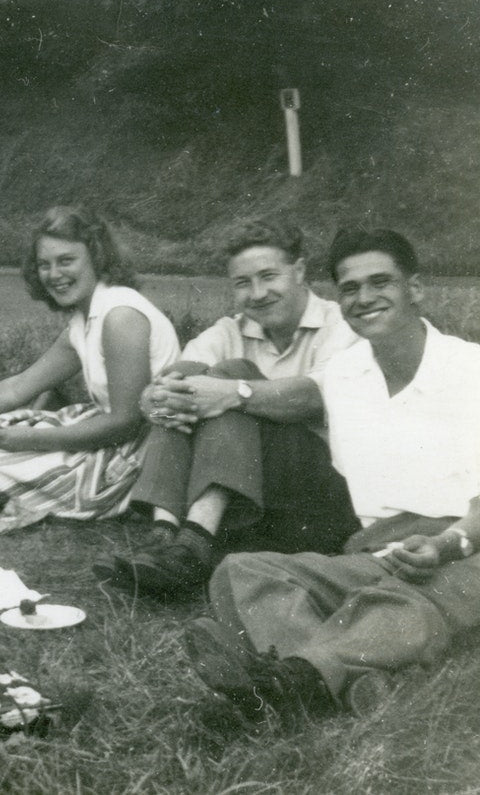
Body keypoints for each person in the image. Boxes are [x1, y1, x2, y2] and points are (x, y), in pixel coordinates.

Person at [183, 229, 480, 723]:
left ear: (416, 289)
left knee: (402, 599)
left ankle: (299, 677)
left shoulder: (472, 370)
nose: (365, 298)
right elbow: (286, 401)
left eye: (380, 282)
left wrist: (446, 545)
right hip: (378, 551)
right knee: (242, 571)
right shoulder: (343, 377)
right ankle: (339, 679)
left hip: (466, 548)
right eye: (349, 288)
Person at [95, 219, 361, 598]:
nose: (257, 293)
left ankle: (195, 540)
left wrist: (236, 391)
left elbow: (318, 395)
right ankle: (164, 536)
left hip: (325, 497)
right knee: (187, 385)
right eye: (242, 283)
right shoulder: (231, 329)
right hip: (256, 497)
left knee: (232, 376)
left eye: (269, 276)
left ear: (299, 271)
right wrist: (156, 397)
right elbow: (173, 379)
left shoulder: (338, 325)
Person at [0, 205, 181, 532]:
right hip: (106, 431)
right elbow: (19, 387)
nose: (54, 275)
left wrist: (32, 441)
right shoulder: (86, 317)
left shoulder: (120, 316)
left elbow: (125, 423)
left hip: (136, 456)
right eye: (44, 265)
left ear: (97, 258)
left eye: (66, 261)